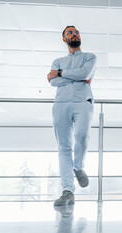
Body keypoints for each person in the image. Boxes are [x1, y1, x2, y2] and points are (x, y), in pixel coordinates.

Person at [47, 26, 97, 206]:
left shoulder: (90, 57)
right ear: (64, 39)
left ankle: (78, 166)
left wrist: (60, 73)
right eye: (70, 33)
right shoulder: (58, 60)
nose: (74, 34)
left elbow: (84, 73)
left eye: (76, 32)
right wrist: (75, 76)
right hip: (61, 104)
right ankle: (67, 191)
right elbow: (53, 82)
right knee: (64, 148)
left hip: (82, 102)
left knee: (82, 137)